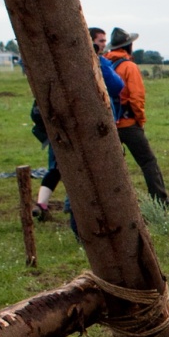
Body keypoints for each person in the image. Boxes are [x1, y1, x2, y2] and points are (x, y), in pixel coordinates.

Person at [33, 27, 126, 219]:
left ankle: (42, 204)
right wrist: (99, 61)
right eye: (100, 41)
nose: (102, 45)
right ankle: (75, 208)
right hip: (84, 125)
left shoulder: (56, 62)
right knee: (85, 167)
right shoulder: (96, 62)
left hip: (58, 124)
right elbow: (117, 86)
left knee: (58, 167)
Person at [107, 27, 169, 211]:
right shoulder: (129, 67)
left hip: (108, 125)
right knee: (148, 162)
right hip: (128, 123)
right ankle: (161, 202)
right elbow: (136, 97)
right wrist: (139, 120)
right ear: (129, 46)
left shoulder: (104, 65)